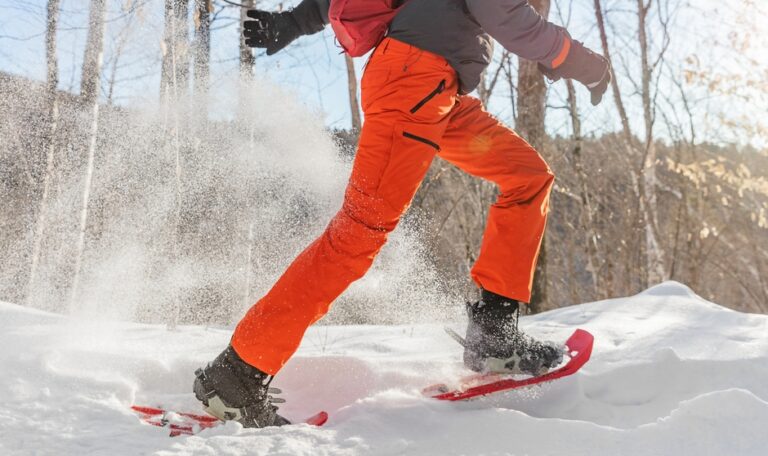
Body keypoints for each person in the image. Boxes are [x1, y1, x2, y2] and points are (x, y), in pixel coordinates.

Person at [193, 0, 611, 428]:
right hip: (414, 81)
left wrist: (291, 22)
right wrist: (582, 62)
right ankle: (238, 371)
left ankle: (494, 336)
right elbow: (504, 15)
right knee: (357, 235)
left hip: (438, 90)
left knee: (527, 177)